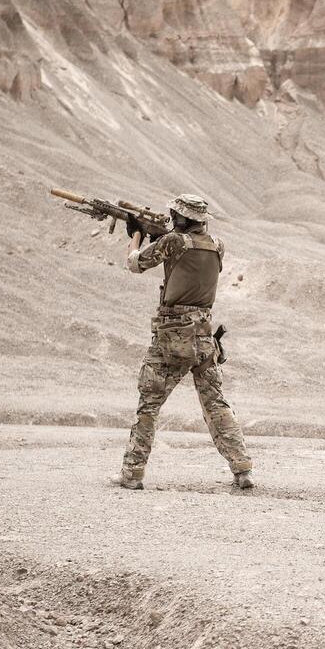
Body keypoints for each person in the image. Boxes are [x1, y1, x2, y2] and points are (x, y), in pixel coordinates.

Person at [118, 194, 253, 490]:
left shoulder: (173, 241)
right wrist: (162, 234)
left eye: (174, 215)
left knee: (149, 405)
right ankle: (242, 469)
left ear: (182, 218)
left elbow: (135, 264)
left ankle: (132, 474)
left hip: (171, 336)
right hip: (204, 338)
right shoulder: (217, 245)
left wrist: (137, 235)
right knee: (216, 403)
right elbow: (185, 252)